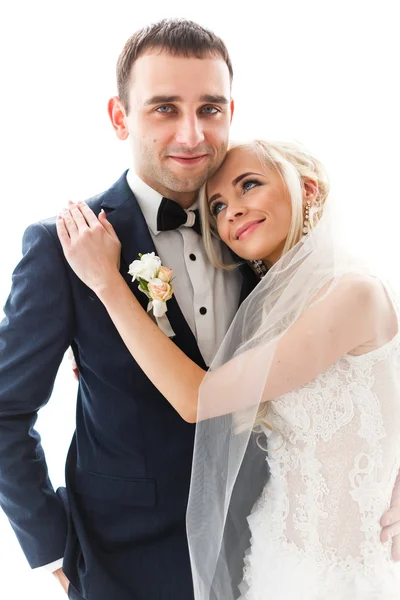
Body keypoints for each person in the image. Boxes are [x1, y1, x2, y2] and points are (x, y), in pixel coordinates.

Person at [57, 139, 400, 599]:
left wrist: (107, 283)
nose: (231, 212)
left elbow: (198, 398)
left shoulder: (351, 292)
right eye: (217, 205)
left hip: (338, 575)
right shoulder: (267, 311)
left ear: (309, 189)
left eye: (249, 186)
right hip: (271, 559)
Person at [0, 18, 263, 600]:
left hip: (264, 547)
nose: (192, 134)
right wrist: (48, 545)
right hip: (125, 564)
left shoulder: (261, 229)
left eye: (210, 109)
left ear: (231, 112)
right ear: (120, 118)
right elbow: (4, 410)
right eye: (164, 108)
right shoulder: (61, 246)